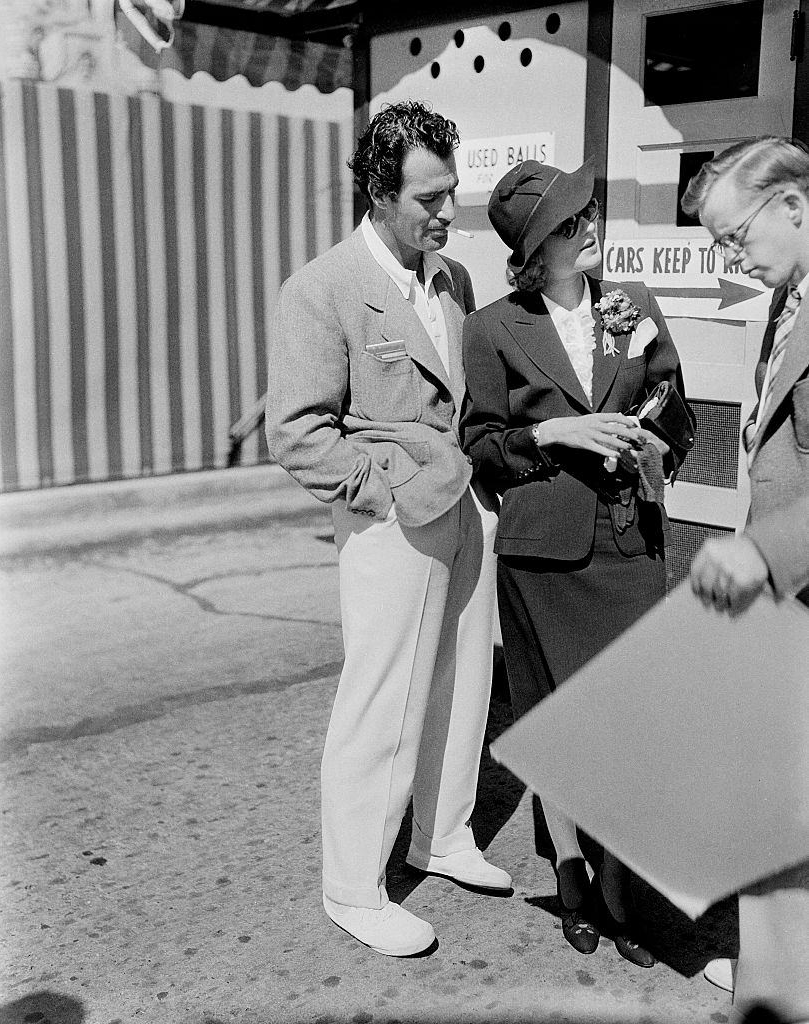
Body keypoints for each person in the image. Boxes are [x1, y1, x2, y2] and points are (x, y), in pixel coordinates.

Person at [264, 100, 510, 958]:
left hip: (464, 509)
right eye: (428, 199)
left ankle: (440, 837)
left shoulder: (453, 277)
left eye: (452, 193)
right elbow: (296, 431)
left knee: (463, 677)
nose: (447, 214)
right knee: (382, 699)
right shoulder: (323, 287)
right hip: (392, 524)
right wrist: (382, 491)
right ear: (378, 191)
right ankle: (354, 886)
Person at [460, 157, 689, 968]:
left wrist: (653, 439)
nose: (590, 227)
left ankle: (624, 893)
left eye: (588, 213)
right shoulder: (491, 328)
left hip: (628, 547)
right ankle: (570, 874)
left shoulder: (637, 309)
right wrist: (553, 435)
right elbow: (480, 445)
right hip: (541, 558)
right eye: (569, 224)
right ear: (534, 251)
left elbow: (681, 416)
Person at [681, 136, 809, 1024]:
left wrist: (768, 551)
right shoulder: (786, 300)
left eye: (737, 238)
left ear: (794, 204)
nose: (732, 259)